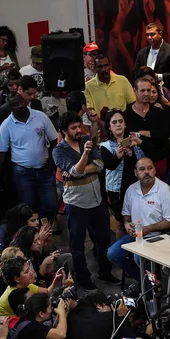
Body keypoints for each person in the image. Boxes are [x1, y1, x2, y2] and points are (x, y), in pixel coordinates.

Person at [53, 112, 119, 289]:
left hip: (97, 199)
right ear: (63, 131)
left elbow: (100, 164)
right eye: (73, 128)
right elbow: (74, 170)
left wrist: (82, 169)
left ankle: (105, 272)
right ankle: (84, 278)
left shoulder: (85, 139)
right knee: (78, 244)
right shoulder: (59, 151)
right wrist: (85, 156)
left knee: (104, 238)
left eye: (78, 127)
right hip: (76, 203)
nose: (78, 131)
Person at [0, 75, 58, 220]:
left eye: (21, 102)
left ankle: (45, 232)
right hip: (23, 173)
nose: (20, 105)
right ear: (11, 108)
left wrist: (52, 163)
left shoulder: (40, 117)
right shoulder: (6, 125)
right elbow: (0, 154)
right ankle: (35, 237)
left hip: (45, 169)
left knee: (51, 204)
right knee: (29, 208)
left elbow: (54, 141)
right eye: (16, 105)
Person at [107, 157, 170, 278]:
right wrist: (126, 224)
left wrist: (148, 229)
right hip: (136, 236)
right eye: (142, 169)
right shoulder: (131, 189)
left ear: (155, 170)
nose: (146, 172)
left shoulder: (164, 190)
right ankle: (144, 283)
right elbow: (126, 215)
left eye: (150, 168)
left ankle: (150, 288)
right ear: (136, 173)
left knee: (138, 257)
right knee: (113, 253)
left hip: (158, 237)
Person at [100, 109, 146, 239]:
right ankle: (122, 252)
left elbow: (146, 158)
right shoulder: (106, 145)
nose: (118, 124)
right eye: (114, 122)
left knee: (138, 219)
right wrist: (118, 156)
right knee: (121, 223)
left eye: (121, 121)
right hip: (117, 189)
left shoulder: (133, 141)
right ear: (109, 127)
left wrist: (137, 146)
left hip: (137, 187)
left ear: (125, 124)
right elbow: (109, 165)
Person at [0, 257, 65, 329]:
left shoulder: (26, 284)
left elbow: (47, 292)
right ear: (17, 279)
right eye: (26, 272)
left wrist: (56, 281)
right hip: (9, 336)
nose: (31, 273)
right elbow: (36, 317)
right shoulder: (15, 295)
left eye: (29, 269)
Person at [124, 78, 170, 179]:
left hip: (159, 159)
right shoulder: (127, 114)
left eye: (148, 90)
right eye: (142, 90)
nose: (146, 93)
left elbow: (164, 135)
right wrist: (152, 134)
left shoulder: (158, 112)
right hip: (137, 163)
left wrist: (141, 133)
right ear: (134, 91)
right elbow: (127, 138)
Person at [134, 22, 170, 97]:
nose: (149, 37)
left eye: (152, 34)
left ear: (160, 34)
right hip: (145, 94)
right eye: (147, 35)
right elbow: (135, 72)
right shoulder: (142, 53)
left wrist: (158, 76)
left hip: (165, 93)